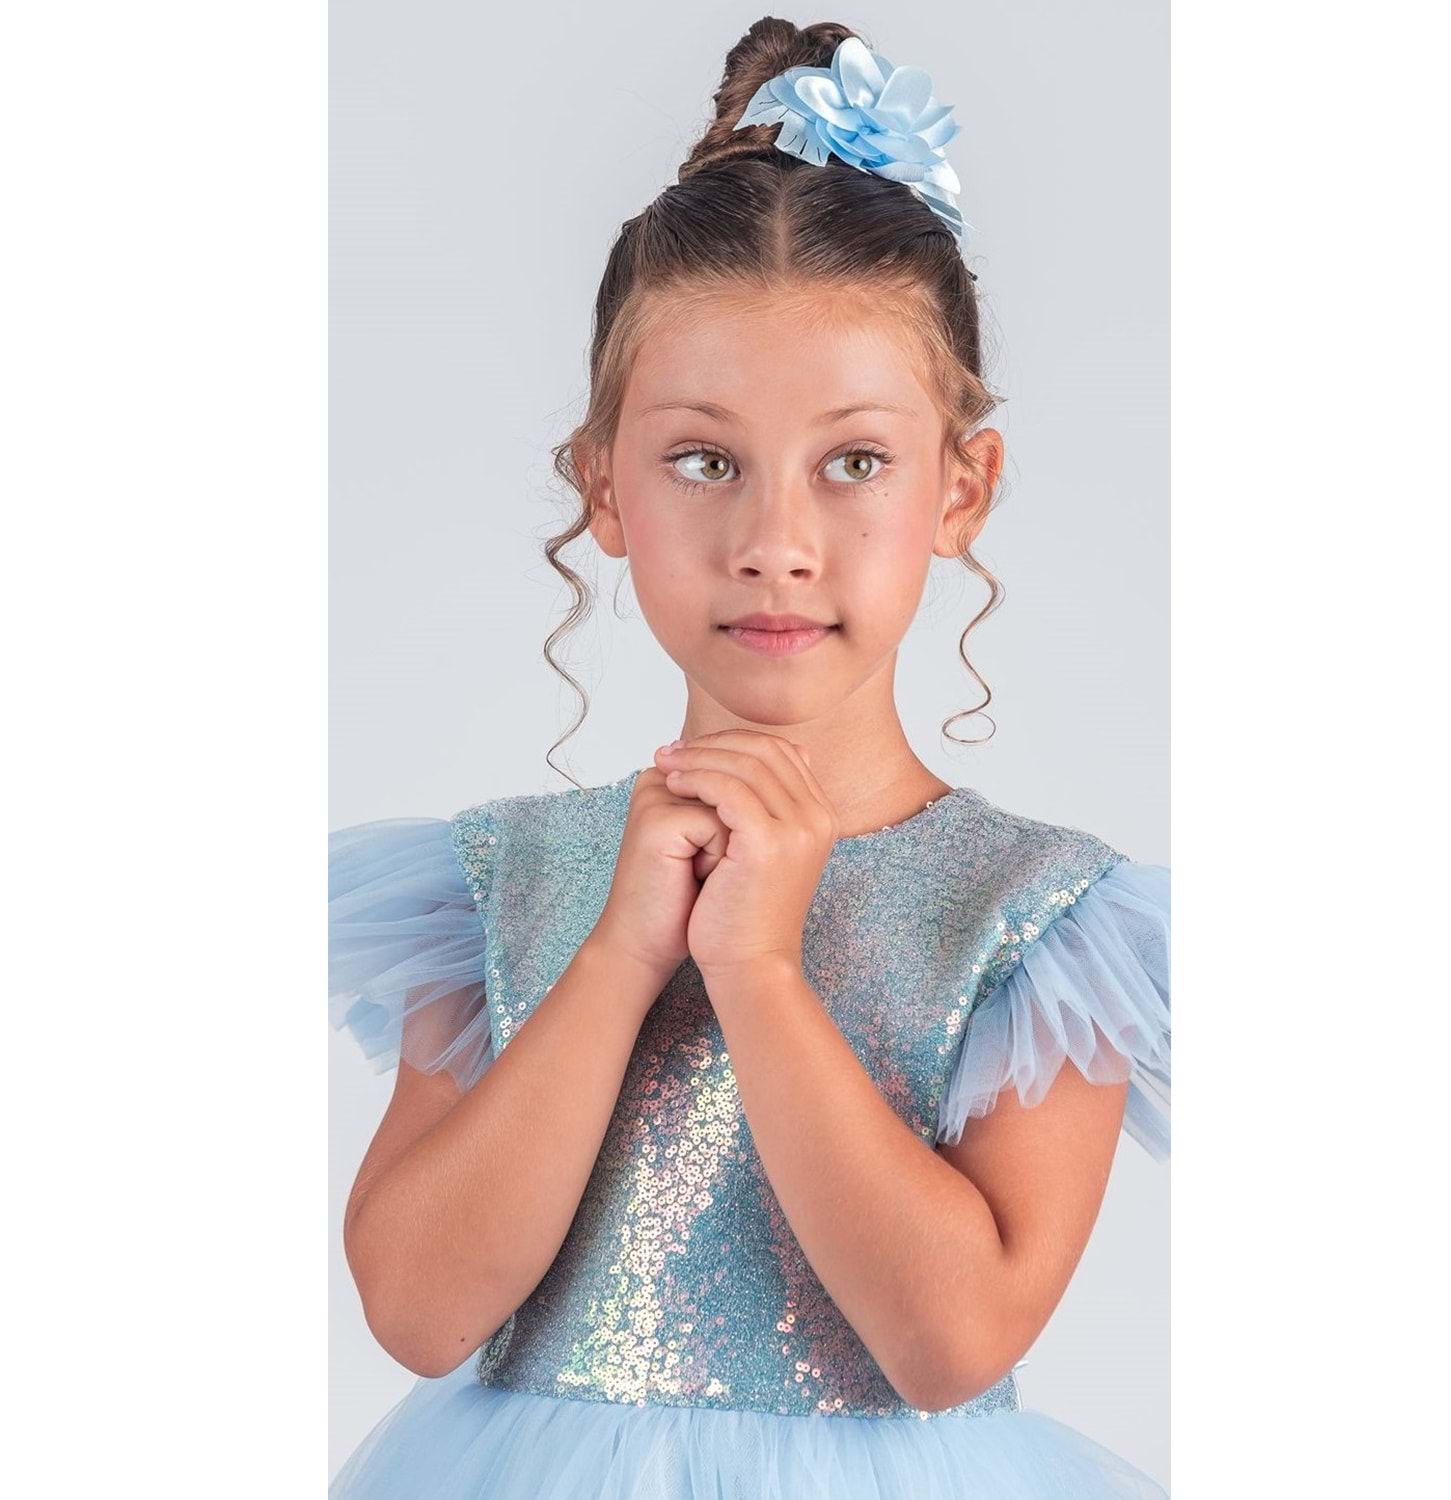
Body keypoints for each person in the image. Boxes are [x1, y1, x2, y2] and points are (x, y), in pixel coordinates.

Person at [328, 19, 1170, 1497]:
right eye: (703, 460)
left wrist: (762, 973)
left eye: (855, 462)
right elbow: (417, 1308)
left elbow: (951, 1342)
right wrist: (616, 956)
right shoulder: (501, 884)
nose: (777, 542)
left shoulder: (1045, 927)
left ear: (961, 488)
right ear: (604, 485)